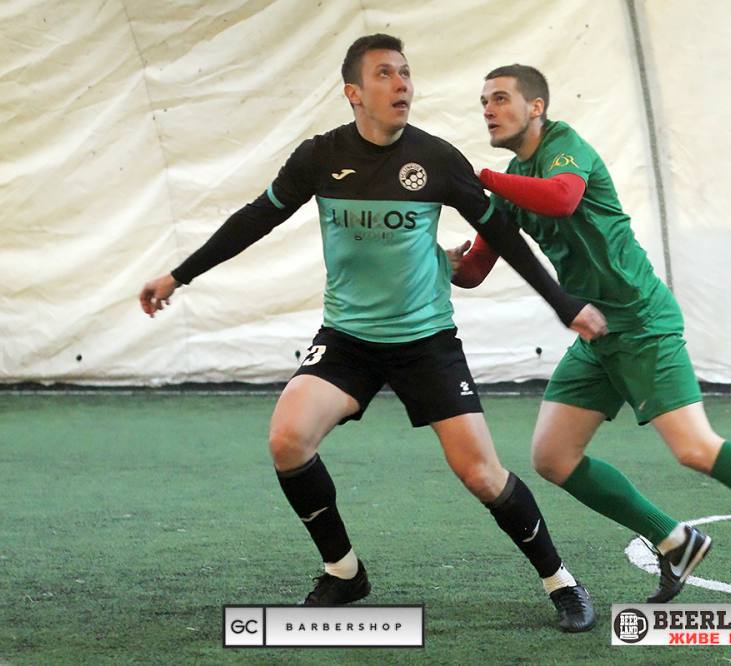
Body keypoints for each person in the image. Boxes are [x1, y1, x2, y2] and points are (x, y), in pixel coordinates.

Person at [138, 36, 606, 632]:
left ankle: (561, 582)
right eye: (385, 73)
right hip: (348, 340)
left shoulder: (437, 160)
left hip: (426, 340)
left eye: (406, 72)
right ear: (354, 93)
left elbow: (504, 236)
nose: (402, 83)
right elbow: (256, 218)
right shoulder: (319, 156)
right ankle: (344, 573)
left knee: (482, 474)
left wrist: (563, 305)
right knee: (287, 440)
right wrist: (178, 276)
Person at [448, 64, 731, 617]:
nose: (489, 109)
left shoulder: (564, 146)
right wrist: (436, 258)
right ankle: (675, 541)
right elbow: (475, 269)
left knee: (695, 447)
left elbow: (562, 198)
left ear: (537, 107)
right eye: (484, 101)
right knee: (553, 457)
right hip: (597, 332)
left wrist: (478, 177)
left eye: (501, 98)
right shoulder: (509, 182)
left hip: (642, 322)